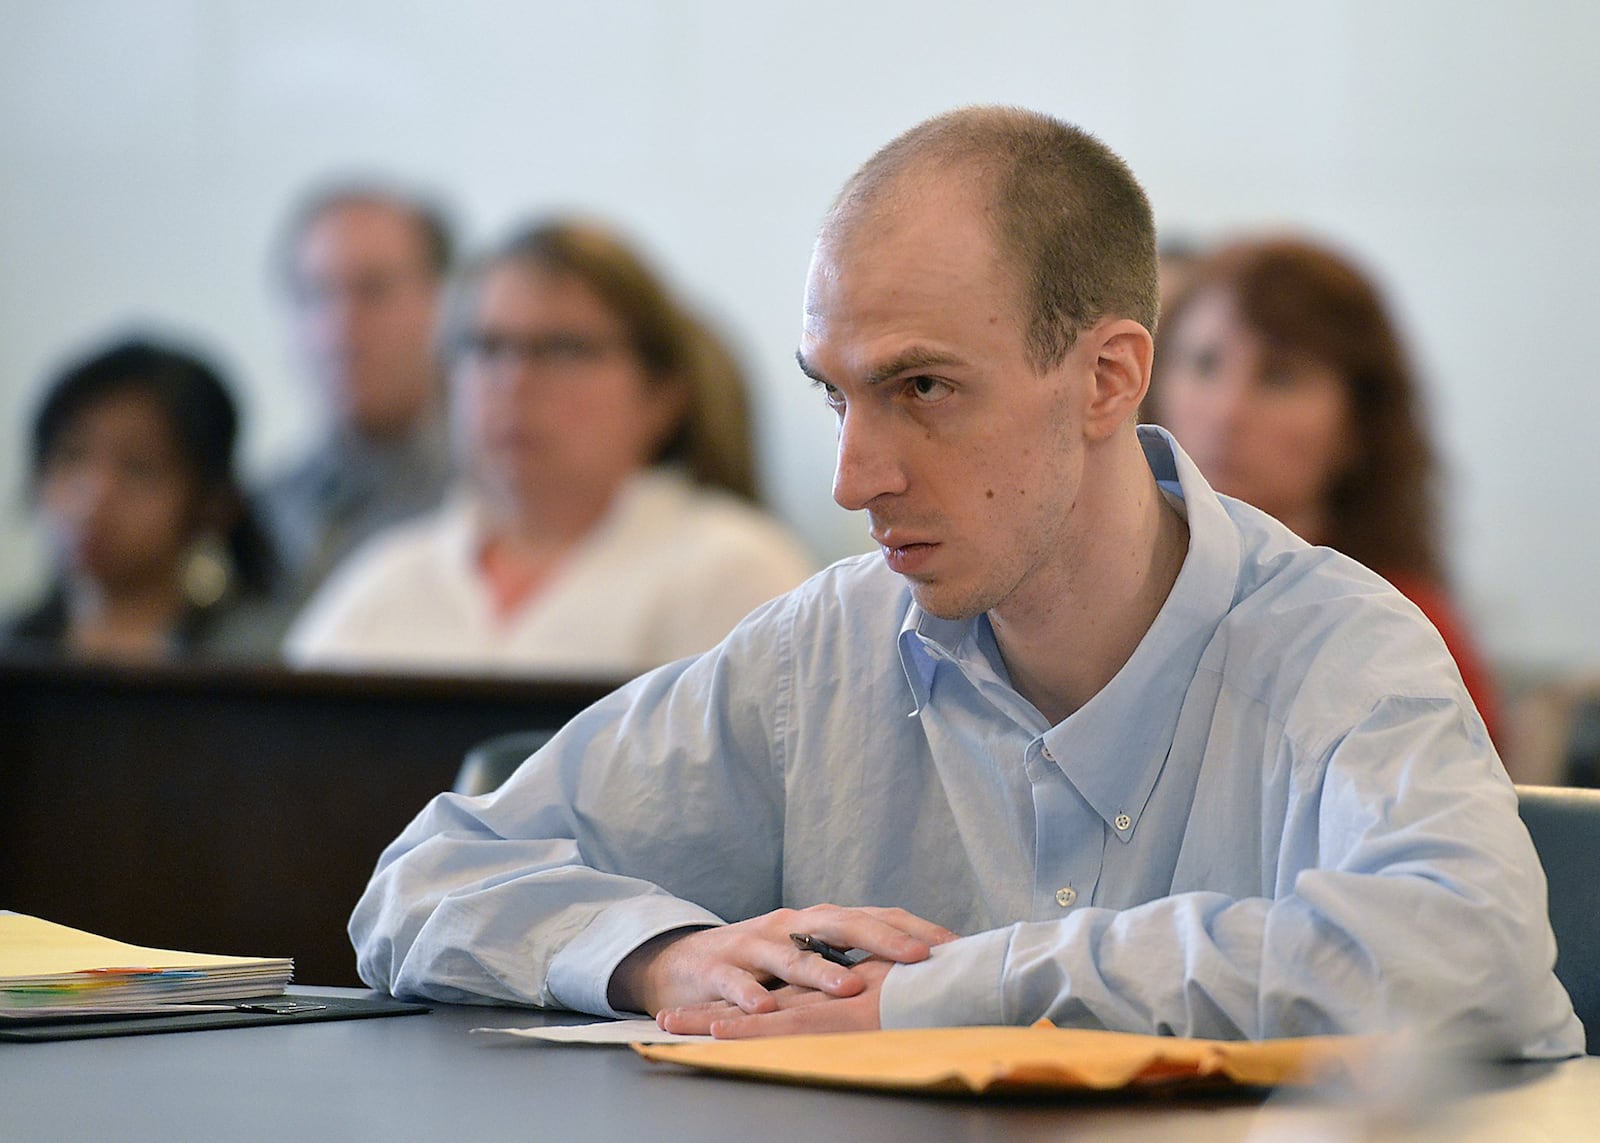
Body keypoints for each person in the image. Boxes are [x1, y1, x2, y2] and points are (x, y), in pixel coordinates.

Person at [350, 108, 1580, 1057]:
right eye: (835, 393)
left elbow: (1472, 960)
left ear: (1106, 380)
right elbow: (423, 884)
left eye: (921, 389)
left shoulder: (1339, 649)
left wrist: (948, 993)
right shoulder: (821, 650)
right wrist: (663, 957)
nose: (852, 477)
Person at [284, 219, 814, 676]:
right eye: (487, 347)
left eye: (561, 349)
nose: (513, 381)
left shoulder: (733, 570)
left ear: (660, 395)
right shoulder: (386, 577)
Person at [1144, 236, 1502, 741]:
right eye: (1203, 364)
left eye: (1279, 377)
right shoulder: (1105, 610)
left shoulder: (1407, 637)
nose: (1226, 411)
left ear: (1359, 426)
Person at [2, 337, 285, 661]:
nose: (92, 497)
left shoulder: (263, 660)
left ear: (211, 502)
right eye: (71, 456)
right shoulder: (13, 646)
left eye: (138, 468)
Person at [257, 182, 455, 603]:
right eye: (316, 294)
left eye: (374, 290)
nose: (340, 326)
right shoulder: (261, 511)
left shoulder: (501, 499)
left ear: (443, 302)